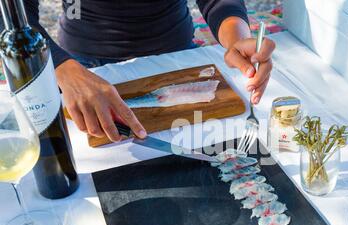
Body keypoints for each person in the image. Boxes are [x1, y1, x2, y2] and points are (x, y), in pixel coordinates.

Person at [14, 0, 275, 142]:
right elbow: (16, 18)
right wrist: (64, 69)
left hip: (177, 57)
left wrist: (236, 39)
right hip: (82, 66)